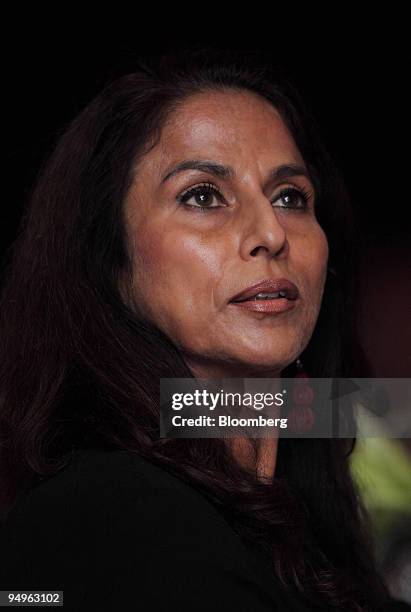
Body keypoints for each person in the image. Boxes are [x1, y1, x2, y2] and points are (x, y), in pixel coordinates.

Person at [0, 47, 409, 611]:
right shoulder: (108, 513)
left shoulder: (308, 484)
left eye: (290, 196)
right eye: (203, 196)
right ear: (108, 261)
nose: (270, 231)